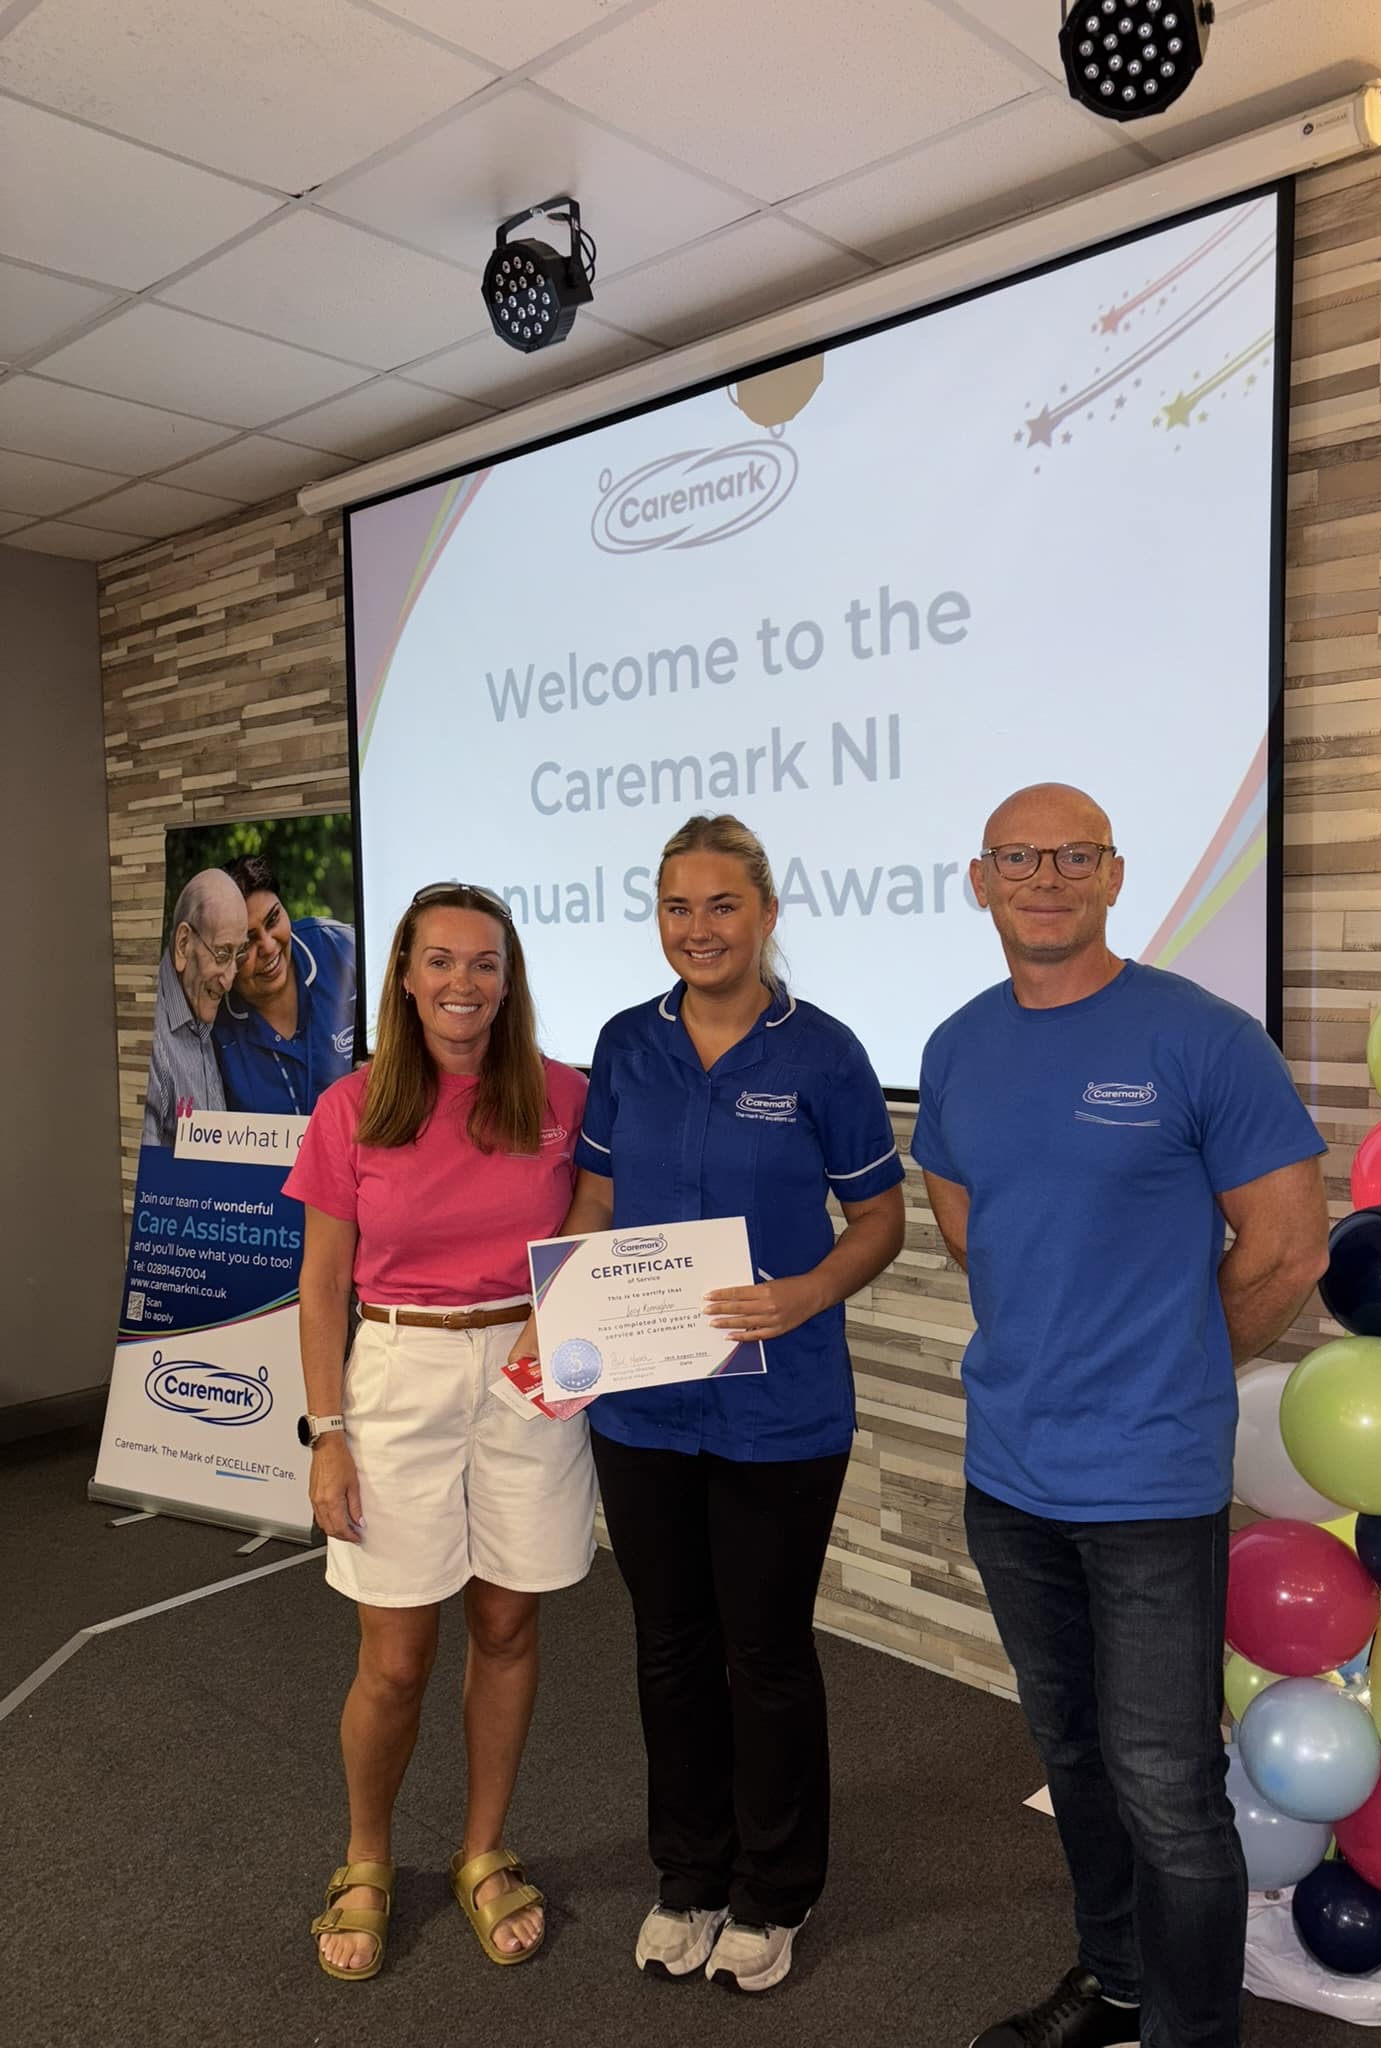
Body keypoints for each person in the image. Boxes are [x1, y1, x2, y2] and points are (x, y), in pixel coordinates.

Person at [912, 784, 1328, 2048]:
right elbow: (969, 1224)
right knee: (1075, 1761)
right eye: (1019, 856)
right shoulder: (957, 1044)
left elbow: (1290, 1248)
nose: (1047, 875)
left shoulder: (1201, 1038)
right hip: (1012, 1477)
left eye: (1074, 854)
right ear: (979, 880)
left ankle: (1193, 2035)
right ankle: (1116, 1982)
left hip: (1148, 1485)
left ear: (1115, 874)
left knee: (1169, 1788)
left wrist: (1172, 1359)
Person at [559, 814, 906, 1994]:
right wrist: (557, 1332)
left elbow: (879, 1220)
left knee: (762, 1650)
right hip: (644, 1406)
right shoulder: (624, 1042)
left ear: (765, 912)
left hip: (781, 1407)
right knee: (668, 1645)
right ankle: (690, 1873)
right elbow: (595, 1204)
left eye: (720, 905)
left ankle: (775, 1887)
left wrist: (805, 1290)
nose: (697, 929)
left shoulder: (826, 1052)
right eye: (675, 907)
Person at [282, 882, 596, 1983]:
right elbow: (322, 1285)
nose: (463, 981)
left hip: (528, 1368)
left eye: (485, 962)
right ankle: (366, 1856)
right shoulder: (352, 1106)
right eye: (440, 961)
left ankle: (481, 1849)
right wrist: (327, 1431)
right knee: (398, 1654)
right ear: (405, 978)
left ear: (510, 981)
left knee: (508, 1624)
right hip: (398, 1372)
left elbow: (597, 1224)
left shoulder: (565, 1095)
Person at [214, 851, 357, 1116]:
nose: (268, 946)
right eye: (247, 942)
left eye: (273, 920)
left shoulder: (342, 948)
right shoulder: (213, 1022)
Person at [141, 867, 248, 1145]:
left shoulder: (198, 1003)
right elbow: (143, 1185)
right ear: (183, 944)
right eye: (222, 954)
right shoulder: (151, 1044)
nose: (229, 980)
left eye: (239, 954)